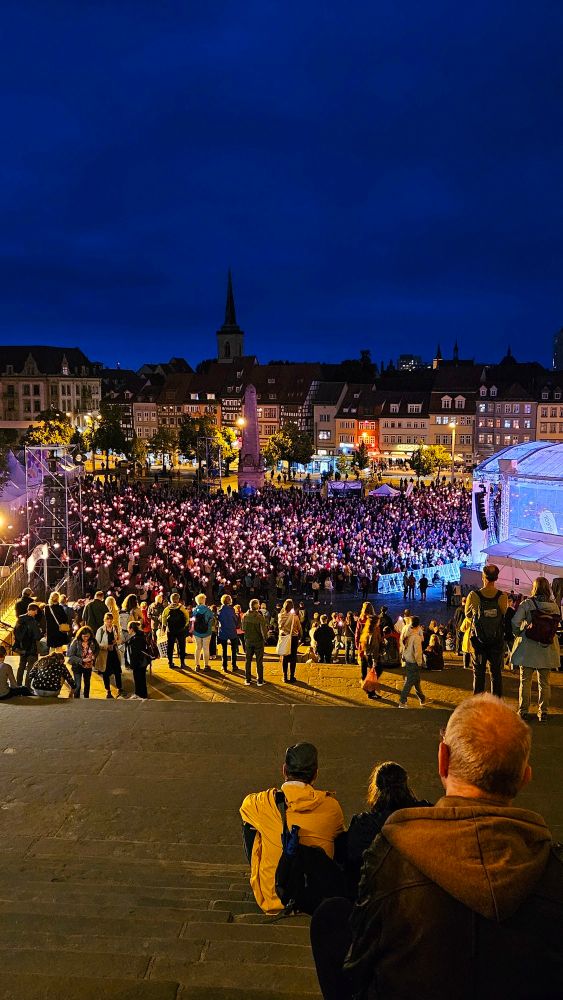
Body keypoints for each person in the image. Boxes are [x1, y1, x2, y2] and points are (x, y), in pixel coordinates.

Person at [310, 694, 563, 1000]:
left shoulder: (392, 854)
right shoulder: (554, 869)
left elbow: (361, 959)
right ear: (525, 777)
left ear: (443, 759)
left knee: (330, 916)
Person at [239, 742, 345, 914]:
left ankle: (263, 878)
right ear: (315, 774)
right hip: (317, 899)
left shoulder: (264, 803)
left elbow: (245, 807)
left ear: (284, 770)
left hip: (275, 898)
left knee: (251, 824)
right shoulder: (332, 807)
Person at [344, 761, 431, 896]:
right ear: (405, 785)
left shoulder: (363, 825)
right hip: (421, 894)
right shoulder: (428, 815)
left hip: (376, 898)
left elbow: (353, 866)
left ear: (376, 788)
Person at [511, 576, 560, 723]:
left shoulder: (527, 604)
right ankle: (543, 712)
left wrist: (519, 633)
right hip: (547, 648)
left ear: (534, 588)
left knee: (525, 681)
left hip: (528, 649)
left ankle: (523, 711)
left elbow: (515, 622)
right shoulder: (555, 607)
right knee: (544, 683)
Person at [464, 564, 507, 698]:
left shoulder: (474, 595)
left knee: (479, 673)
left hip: (479, 642)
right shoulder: (502, 596)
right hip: (496, 641)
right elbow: (504, 614)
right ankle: (497, 704)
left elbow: (468, 615)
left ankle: (478, 704)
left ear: (483, 576)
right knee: (496, 674)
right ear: (496, 578)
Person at [398, 614, 426, 708]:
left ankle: (422, 698)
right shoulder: (416, 637)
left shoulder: (406, 631)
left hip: (406, 658)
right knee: (409, 681)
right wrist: (419, 663)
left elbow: (402, 645)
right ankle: (402, 701)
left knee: (416, 680)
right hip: (413, 661)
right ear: (418, 626)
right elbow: (418, 652)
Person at [95, 612, 125, 699]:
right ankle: (108, 690)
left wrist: (116, 642)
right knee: (106, 673)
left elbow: (120, 639)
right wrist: (106, 647)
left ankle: (120, 688)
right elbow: (97, 644)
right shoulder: (100, 630)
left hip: (114, 653)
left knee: (117, 671)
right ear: (104, 620)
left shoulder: (115, 628)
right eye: (107, 619)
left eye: (110, 619)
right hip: (105, 655)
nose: (109, 621)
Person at [67, 625, 99, 698]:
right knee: (77, 685)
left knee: (87, 684)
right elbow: (70, 655)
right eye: (84, 636)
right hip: (77, 666)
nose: (86, 638)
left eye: (87, 636)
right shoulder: (76, 642)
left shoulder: (93, 641)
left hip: (88, 666)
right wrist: (82, 660)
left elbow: (97, 648)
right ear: (80, 635)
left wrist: (94, 656)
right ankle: (76, 699)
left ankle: (86, 698)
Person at [242, 599, 268, 685]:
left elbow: (243, 628)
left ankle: (247, 679)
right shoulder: (259, 617)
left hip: (248, 640)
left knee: (248, 660)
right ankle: (260, 680)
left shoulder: (245, 616)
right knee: (259, 661)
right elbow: (263, 631)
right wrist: (265, 638)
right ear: (257, 606)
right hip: (258, 641)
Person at [161, 592, 190, 670]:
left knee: (170, 646)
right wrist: (185, 625)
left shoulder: (167, 609)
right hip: (180, 630)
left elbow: (163, 619)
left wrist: (166, 626)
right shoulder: (181, 607)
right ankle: (182, 663)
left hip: (171, 630)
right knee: (181, 646)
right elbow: (187, 617)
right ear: (178, 599)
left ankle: (170, 662)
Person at [278, 598, 302, 684]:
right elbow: (299, 628)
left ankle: (284, 676)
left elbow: (279, 627)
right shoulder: (295, 617)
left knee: (284, 657)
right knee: (293, 658)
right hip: (293, 638)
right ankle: (292, 676)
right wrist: (300, 637)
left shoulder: (280, 616)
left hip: (284, 638)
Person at [123, 621, 149, 698]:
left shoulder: (136, 639)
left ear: (132, 629)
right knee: (141, 678)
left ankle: (139, 694)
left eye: (128, 628)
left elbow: (135, 654)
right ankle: (142, 694)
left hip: (138, 662)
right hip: (143, 662)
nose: (128, 630)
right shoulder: (140, 636)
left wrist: (132, 665)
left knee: (138, 678)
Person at [191, 593, 214, 672]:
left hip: (197, 632)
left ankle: (197, 665)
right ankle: (206, 665)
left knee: (198, 648)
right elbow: (211, 620)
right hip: (206, 632)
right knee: (206, 648)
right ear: (204, 600)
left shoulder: (194, 611)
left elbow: (192, 621)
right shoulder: (208, 610)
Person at [218, 593, 239, 673]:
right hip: (232, 630)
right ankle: (234, 665)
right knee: (234, 649)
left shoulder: (220, 610)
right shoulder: (231, 610)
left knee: (224, 650)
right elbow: (235, 619)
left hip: (223, 630)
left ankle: (224, 666)